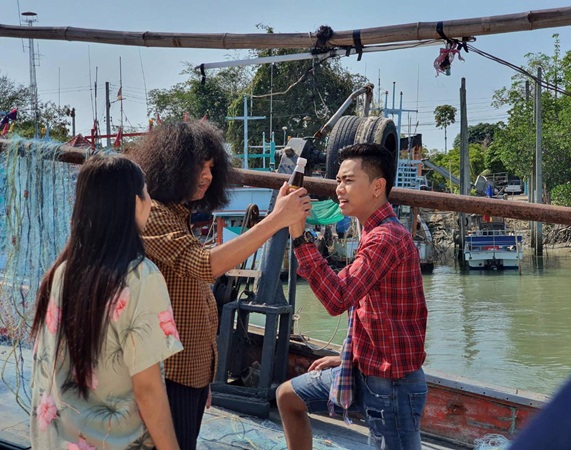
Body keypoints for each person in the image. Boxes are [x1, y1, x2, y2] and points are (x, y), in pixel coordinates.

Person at [128, 120, 311, 450]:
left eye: (212, 168)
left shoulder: (179, 215)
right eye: (200, 167)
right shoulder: (153, 214)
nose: (208, 176)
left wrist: (205, 380)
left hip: (191, 374)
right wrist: (276, 220)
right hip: (168, 375)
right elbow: (204, 265)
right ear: (173, 167)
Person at [276, 143, 429, 450]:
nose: (339, 189)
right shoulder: (371, 233)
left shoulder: (387, 238)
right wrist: (349, 356)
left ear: (377, 187)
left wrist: (299, 236)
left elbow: (338, 298)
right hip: (363, 369)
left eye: (348, 180)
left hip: (392, 387)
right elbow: (372, 312)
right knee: (287, 397)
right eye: (338, 181)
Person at [30, 154, 182, 450]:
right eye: (146, 193)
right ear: (135, 203)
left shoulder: (62, 271)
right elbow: (148, 390)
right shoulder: (140, 277)